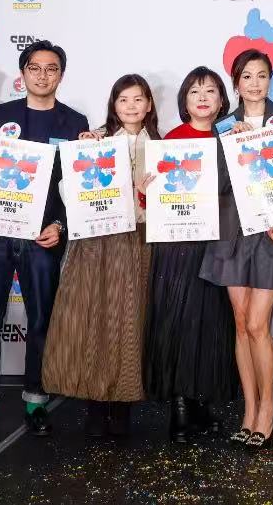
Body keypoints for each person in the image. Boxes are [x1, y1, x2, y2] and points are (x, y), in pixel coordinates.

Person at [0, 40, 89, 439]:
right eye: (35, 68)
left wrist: (61, 225)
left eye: (51, 69)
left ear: (61, 75)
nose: (43, 75)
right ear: (24, 73)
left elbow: (78, 185)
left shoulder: (75, 122)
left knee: (41, 321)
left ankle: (36, 400)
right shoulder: (0, 115)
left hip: (42, 237)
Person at [202, 50, 273, 451]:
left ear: (271, 79)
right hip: (233, 233)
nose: (254, 83)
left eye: (261, 75)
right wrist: (231, 147)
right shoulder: (223, 125)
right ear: (236, 83)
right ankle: (248, 411)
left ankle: (268, 410)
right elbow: (214, 183)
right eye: (246, 76)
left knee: (256, 323)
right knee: (240, 323)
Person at [42, 74, 160, 439]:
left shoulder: (162, 146)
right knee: (93, 319)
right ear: (114, 105)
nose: (131, 106)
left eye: (138, 99)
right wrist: (85, 157)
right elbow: (68, 193)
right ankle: (95, 405)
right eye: (123, 100)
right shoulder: (95, 142)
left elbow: (173, 201)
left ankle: (123, 406)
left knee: (130, 322)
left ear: (149, 104)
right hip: (96, 240)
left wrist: (143, 194)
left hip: (140, 240)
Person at [144, 67, 242, 443]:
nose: (202, 97)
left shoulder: (231, 139)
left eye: (211, 91)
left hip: (219, 244)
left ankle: (201, 402)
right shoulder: (171, 141)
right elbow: (154, 201)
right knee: (178, 323)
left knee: (212, 325)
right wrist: (146, 190)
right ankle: (180, 409)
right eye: (195, 91)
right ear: (184, 100)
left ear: (222, 100)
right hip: (177, 247)